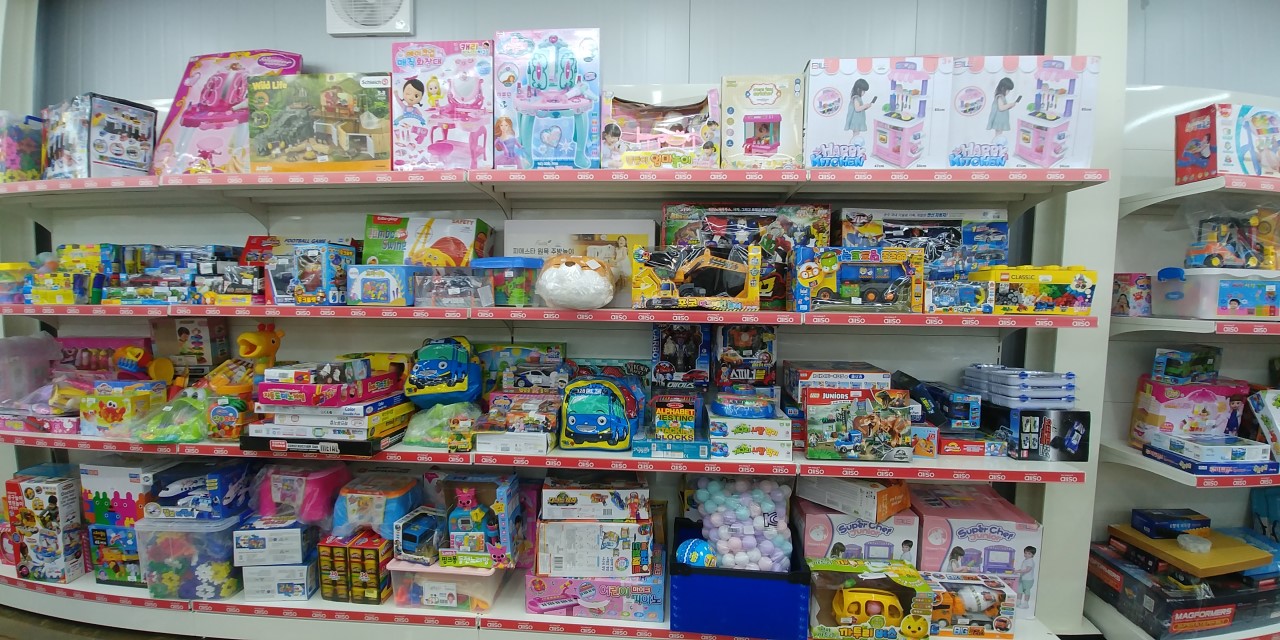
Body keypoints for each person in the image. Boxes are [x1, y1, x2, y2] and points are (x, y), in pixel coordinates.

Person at [988, 77, 1021, 142]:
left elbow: (1003, 108)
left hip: (1000, 119)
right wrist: (1010, 105)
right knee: (998, 134)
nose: (1008, 92)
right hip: (999, 119)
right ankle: (994, 144)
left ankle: (995, 144)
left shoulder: (1001, 97)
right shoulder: (1000, 97)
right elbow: (1001, 108)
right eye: (1008, 90)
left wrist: (1010, 106)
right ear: (1003, 88)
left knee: (998, 134)